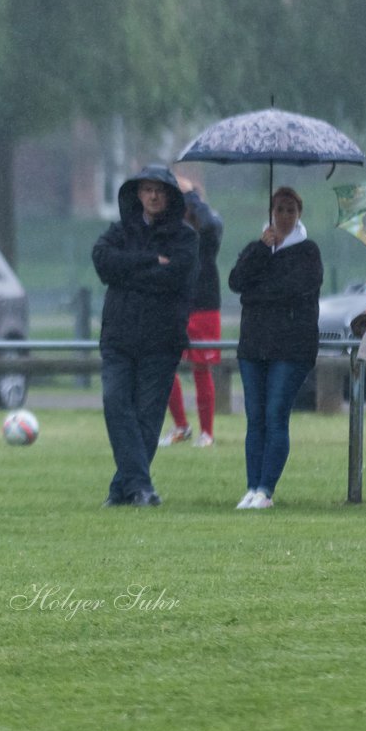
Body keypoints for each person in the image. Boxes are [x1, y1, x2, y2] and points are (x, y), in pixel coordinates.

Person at [91, 165, 198, 507]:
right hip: (118, 338)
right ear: (137, 194)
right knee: (115, 404)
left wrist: (128, 271)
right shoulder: (119, 232)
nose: (152, 196)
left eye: (159, 190)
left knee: (148, 416)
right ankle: (138, 487)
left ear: (169, 196)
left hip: (162, 341)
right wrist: (151, 260)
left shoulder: (185, 238)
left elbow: (176, 278)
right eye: (147, 189)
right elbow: (103, 262)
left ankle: (125, 489)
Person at [228, 186, 322, 510]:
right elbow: (237, 281)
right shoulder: (258, 248)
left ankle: (266, 488)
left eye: (290, 210)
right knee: (255, 418)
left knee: (275, 414)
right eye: (279, 210)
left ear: (298, 215)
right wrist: (260, 251)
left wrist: (259, 292)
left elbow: (294, 289)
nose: (284, 216)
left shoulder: (307, 252)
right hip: (254, 343)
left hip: (290, 346)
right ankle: (252, 485)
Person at [160, 176, 224, 448]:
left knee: (201, 367)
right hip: (175, 303)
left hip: (203, 304)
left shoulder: (208, 227)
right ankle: (181, 426)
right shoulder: (169, 229)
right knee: (164, 364)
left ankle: (206, 432)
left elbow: (209, 224)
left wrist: (192, 196)